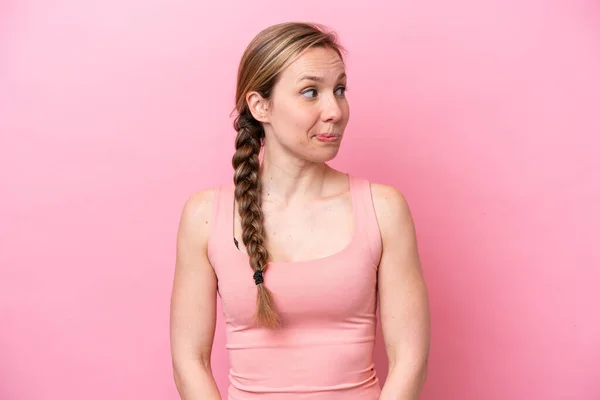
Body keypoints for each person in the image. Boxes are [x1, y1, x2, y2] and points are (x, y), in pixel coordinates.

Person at [169, 22, 431, 400]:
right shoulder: (205, 217)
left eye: (339, 90)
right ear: (261, 106)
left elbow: (410, 359)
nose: (335, 111)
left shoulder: (384, 209)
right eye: (311, 92)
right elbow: (188, 360)